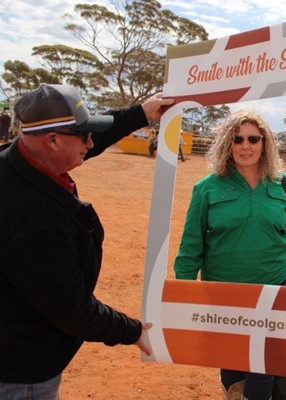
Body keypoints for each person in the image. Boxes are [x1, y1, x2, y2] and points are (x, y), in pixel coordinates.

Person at [0, 84, 174, 399]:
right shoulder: (35, 220)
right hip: (19, 371)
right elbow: (73, 310)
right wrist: (132, 330)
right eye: (84, 136)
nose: (91, 145)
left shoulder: (18, 159)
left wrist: (140, 114)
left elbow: (85, 142)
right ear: (52, 140)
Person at [173, 110, 286, 400]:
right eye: (237, 139)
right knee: (232, 359)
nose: (245, 145)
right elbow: (191, 244)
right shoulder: (207, 188)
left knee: (262, 360)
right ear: (227, 144)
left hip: (273, 286)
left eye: (253, 138)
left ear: (264, 143)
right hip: (224, 291)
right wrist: (182, 291)